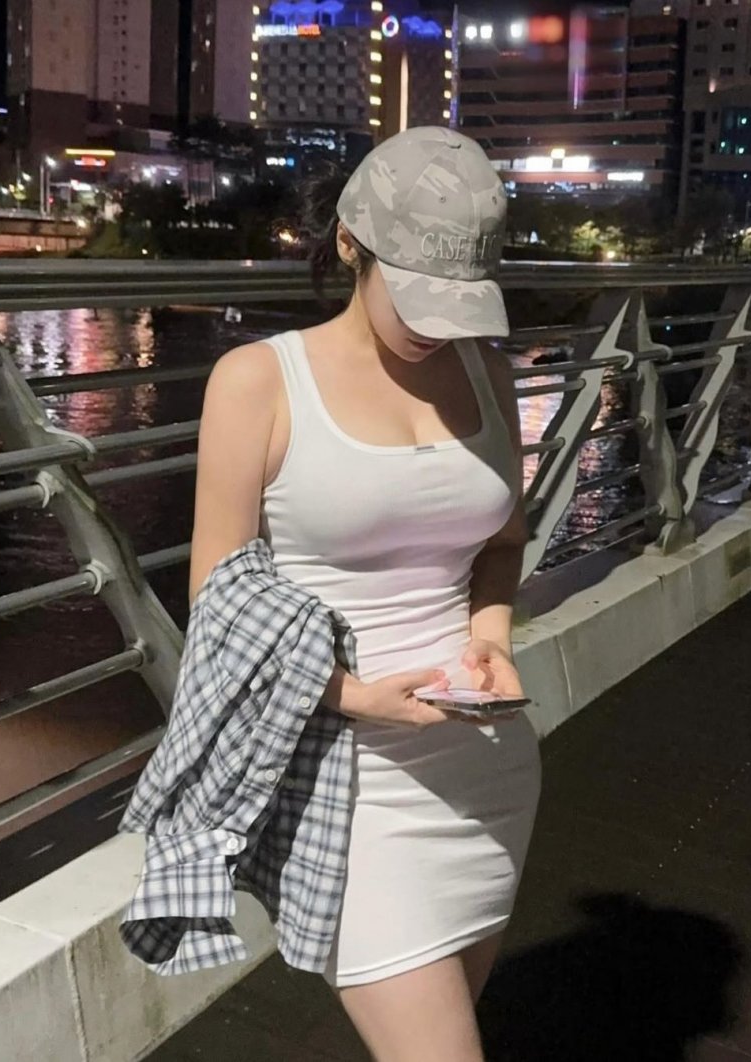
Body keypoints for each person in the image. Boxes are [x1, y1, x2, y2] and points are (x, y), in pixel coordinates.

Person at [188, 126, 541, 1062]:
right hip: (344, 778)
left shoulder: (486, 370)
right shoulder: (258, 382)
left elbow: (502, 544)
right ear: (350, 243)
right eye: (418, 295)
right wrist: (349, 695)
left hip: (485, 768)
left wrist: (493, 640)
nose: (437, 326)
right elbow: (216, 601)